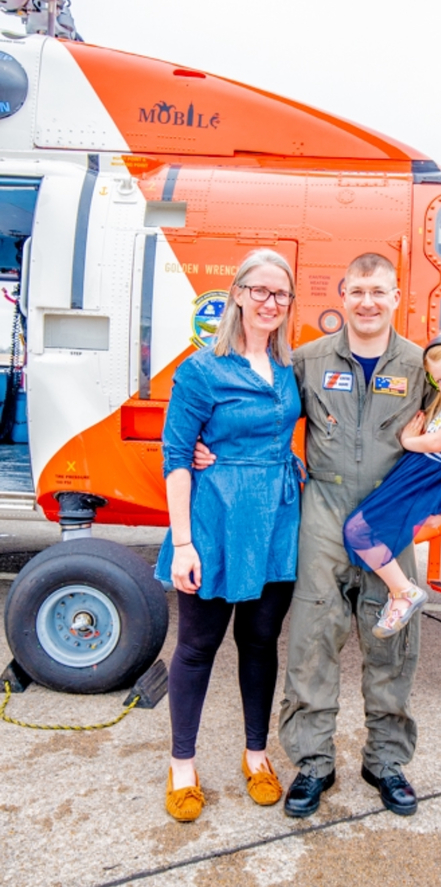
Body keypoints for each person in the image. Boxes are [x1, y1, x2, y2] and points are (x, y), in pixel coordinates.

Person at [194, 252, 433, 818]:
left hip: (389, 518)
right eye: (357, 292)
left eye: (379, 292)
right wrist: (211, 449)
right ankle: (314, 764)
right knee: (311, 640)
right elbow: (251, 406)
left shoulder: (423, 366)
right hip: (322, 513)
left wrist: (436, 506)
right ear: (342, 297)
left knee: (393, 644)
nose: (368, 303)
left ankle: (386, 762)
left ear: (396, 297)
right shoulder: (305, 359)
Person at [156, 248, 302, 822]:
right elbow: (174, 457)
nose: (270, 303)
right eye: (260, 291)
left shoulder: (291, 367)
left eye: (281, 294)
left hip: (276, 521)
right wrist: (184, 541)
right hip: (215, 520)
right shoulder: (200, 370)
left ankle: (256, 754)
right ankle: (182, 765)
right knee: (196, 646)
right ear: (238, 293)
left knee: (261, 642)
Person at [343, 330, 441, 637]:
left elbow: (438, 442)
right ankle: (399, 593)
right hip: (431, 473)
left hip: (430, 475)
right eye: (439, 380)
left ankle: (403, 592)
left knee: (358, 530)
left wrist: (407, 440)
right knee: (380, 532)